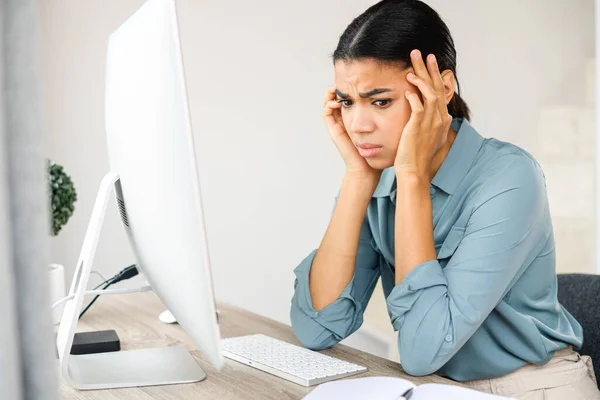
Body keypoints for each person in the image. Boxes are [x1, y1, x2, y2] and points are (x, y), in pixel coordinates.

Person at [289, 1, 600, 398]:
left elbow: (423, 351)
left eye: (380, 101)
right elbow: (317, 328)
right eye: (348, 102)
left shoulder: (510, 178)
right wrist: (356, 178)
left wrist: (414, 177)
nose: (358, 125)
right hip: (435, 388)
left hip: (533, 388)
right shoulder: (378, 178)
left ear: (441, 89)